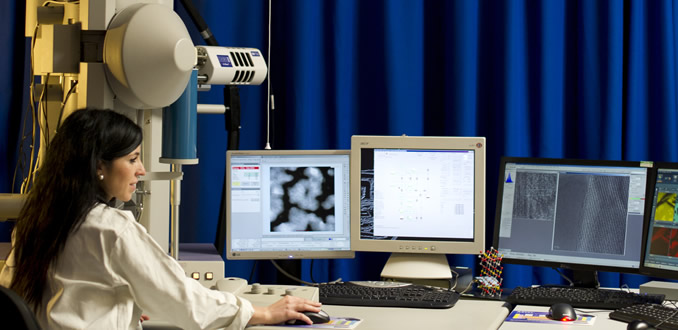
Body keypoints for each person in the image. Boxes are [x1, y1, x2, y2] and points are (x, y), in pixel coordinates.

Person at [0, 109, 322, 329]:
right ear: (99, 166)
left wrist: (122, 305)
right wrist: (259, 311)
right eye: (133, 159)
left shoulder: (37, 221)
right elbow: (185, 303)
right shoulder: (111, 229)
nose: (140, 170)